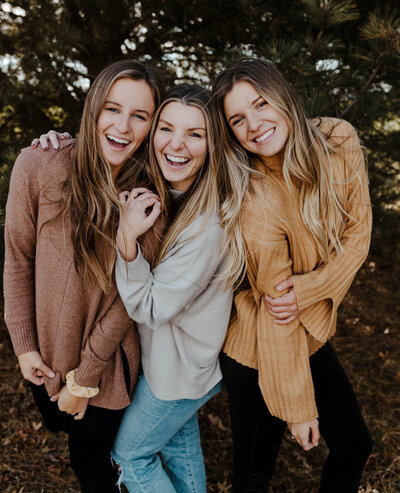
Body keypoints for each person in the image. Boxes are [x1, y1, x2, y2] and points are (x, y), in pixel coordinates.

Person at [212, 57, 373, 492]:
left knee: (354, 446)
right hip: (257, 344)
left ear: (282, 94)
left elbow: (359, 235)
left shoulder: (338, 139)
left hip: (305, 329)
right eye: (237, 120)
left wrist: (310, 288)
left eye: (261, 103)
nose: (254, 125)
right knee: (254, 473)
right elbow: (276, 310)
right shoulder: (255, 199)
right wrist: (298, 406)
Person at [4, 58, 165, 493]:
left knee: (89, 460)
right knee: (64, 428)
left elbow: (125, 305)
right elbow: (18, 258)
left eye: (140, 115)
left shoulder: (148, 196)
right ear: (93, 107)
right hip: (47, 349)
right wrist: (23, 345)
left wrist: (86, 378)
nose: (123, 126)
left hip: (108, 362)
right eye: (112, 108)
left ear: (152, 125)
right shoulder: (38, 165)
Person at [110, 83, 243, 493]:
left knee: (130, 456)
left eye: (195, 134)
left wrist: (126, 241)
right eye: (166, 128)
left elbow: (151, 307)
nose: (176, 144)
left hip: (178, 373)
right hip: (172, 363)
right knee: (177, 448)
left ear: (213, 145)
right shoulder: (170, 190)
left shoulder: (207, 226)